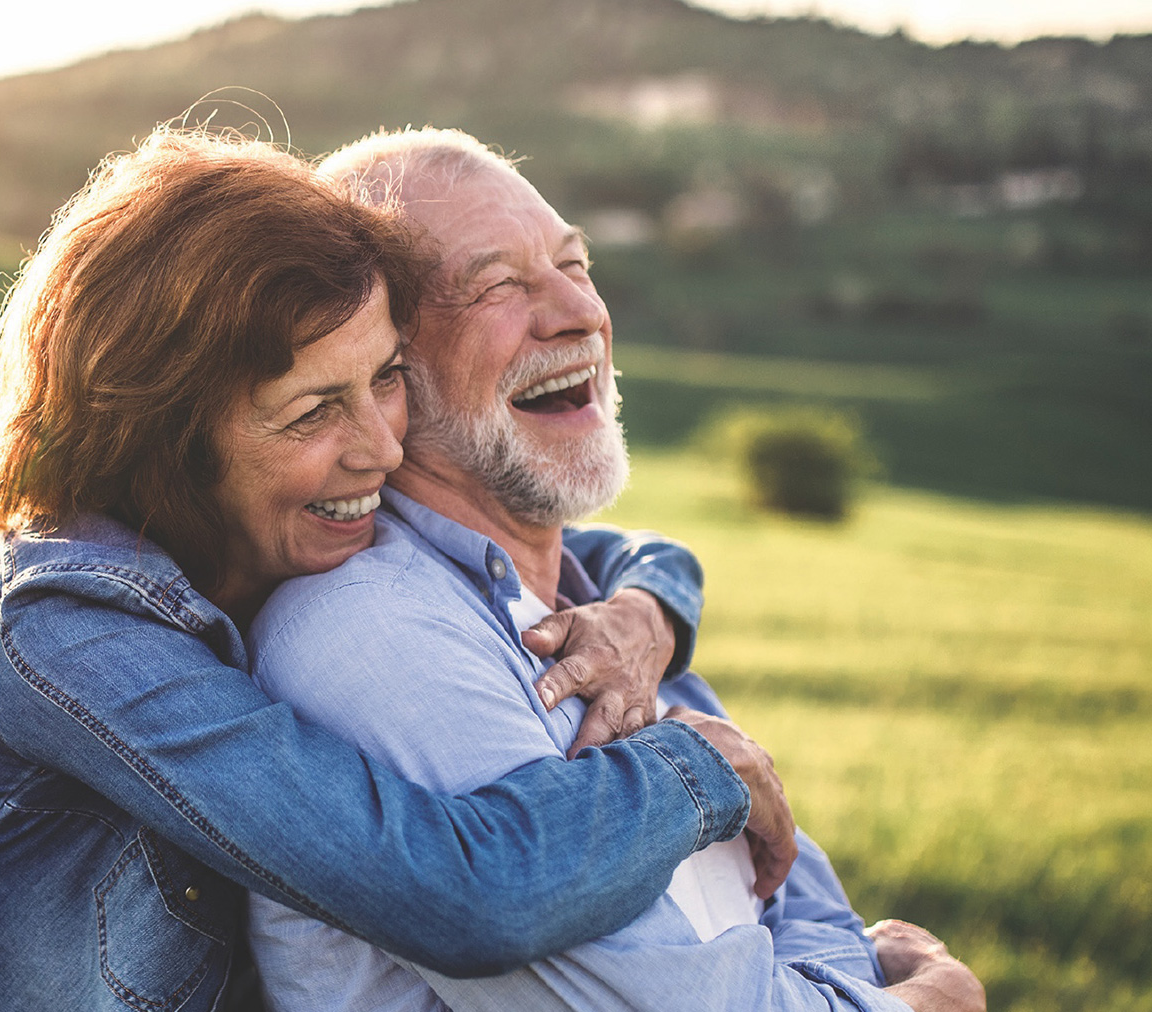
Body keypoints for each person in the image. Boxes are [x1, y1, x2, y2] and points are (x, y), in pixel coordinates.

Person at [0, 128, 800, 1012]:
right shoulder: (66, 626)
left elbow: (590, 554)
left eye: (386, 377)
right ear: (167, 439)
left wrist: (647, 609)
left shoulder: (271, 525)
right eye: (314, 412)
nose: (381, 452)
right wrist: (696, 765)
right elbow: (459, 897)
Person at [246, 127, 986, 1012]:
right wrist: (926, 1004)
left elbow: (792, 894)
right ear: (381, 365)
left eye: (576, 265)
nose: (579, 314)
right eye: (497, 287)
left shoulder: (606, 618)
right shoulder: (375, 634)